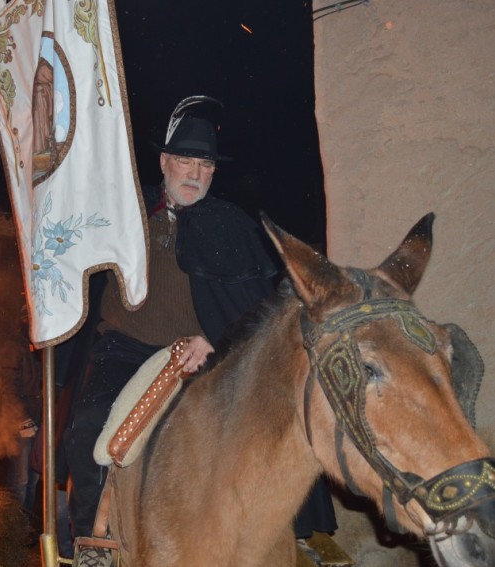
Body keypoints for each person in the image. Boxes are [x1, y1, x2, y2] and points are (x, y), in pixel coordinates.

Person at [62, 96, 336, 544]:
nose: (195, 173)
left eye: (206, 165)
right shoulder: (124, 211)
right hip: (125, 349)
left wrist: (215, 337)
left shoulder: (231, 226)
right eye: (186, 161)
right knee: (90, 425)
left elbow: (258, 310)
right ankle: (97, 545)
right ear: (165, 162)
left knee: (256, 433)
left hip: (203, 353)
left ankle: (272, 541)